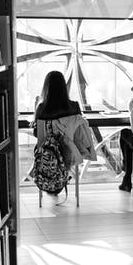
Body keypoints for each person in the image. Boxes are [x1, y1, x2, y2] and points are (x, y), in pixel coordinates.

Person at [34, 71, 96, 201]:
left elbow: (37, 134)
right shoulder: (74, 106)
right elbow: (79, 129)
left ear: (46, 87)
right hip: (69, 153)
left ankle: (52, 183)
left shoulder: (41, 107)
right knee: (66, 151)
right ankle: (61, 180)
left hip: (46, 154)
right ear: (64, 86)